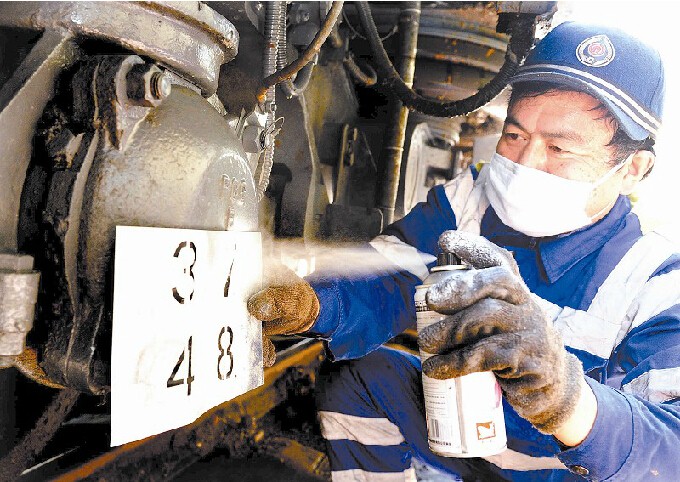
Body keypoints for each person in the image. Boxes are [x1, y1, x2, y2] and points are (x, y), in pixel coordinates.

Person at [249, 22, 680, 481]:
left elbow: (670, 448)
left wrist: (565, 395)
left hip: (553, 471)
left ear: (632, 169)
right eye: (515, 136)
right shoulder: (472, 198)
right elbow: (392, 274)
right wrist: (316, 305)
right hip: (456, 438)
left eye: (559, 148)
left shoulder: (657, 284)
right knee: (359, 378)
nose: (525, 163)